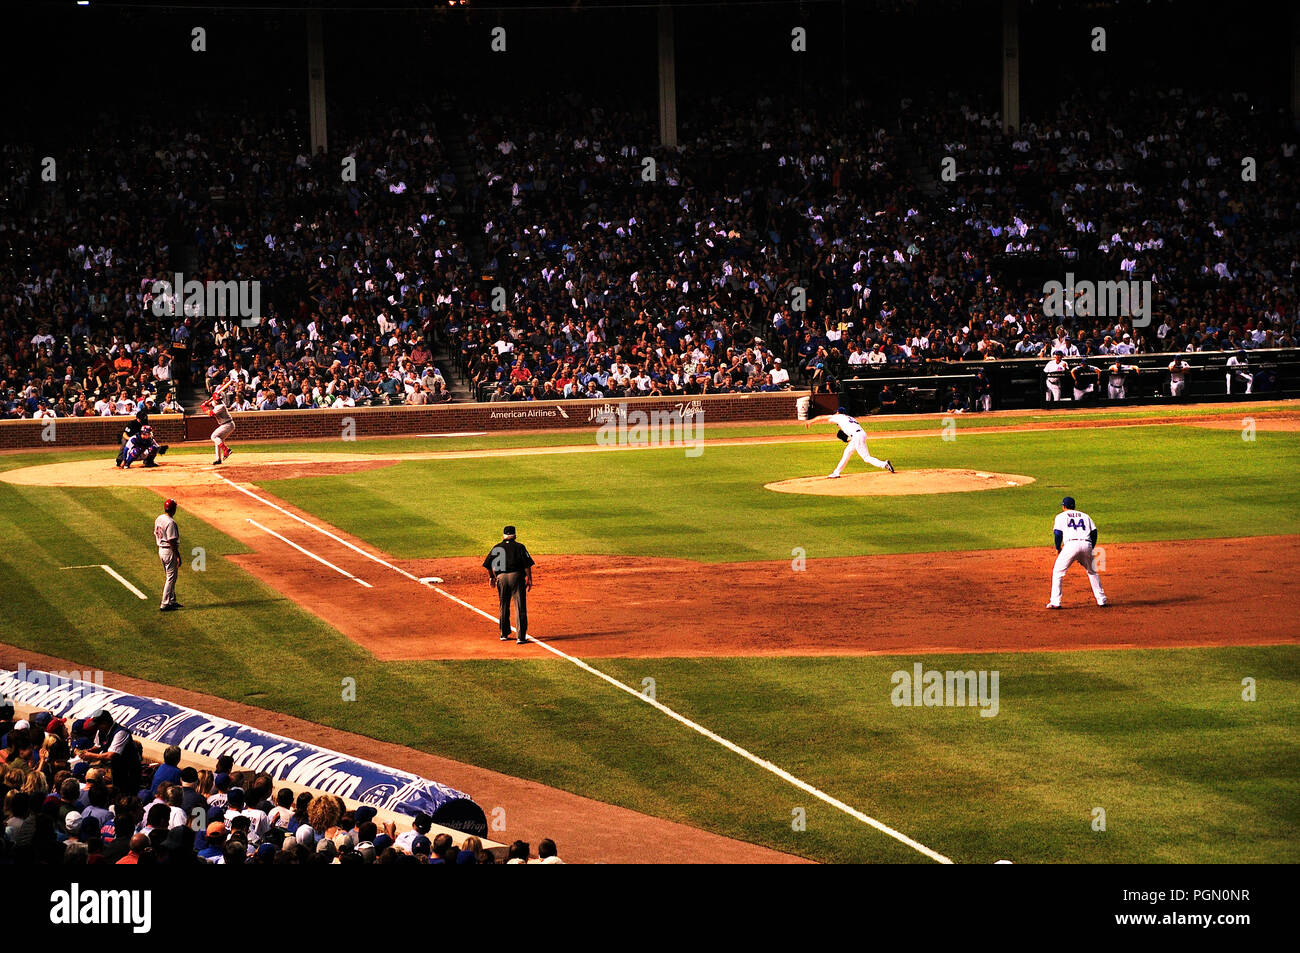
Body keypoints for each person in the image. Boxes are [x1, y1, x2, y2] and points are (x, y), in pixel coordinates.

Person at [1045, 496, 1107, 609]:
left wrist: (1058, 548)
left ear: (1064, 506)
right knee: (1092, 572)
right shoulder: (1085, 515)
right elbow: (1094, 532)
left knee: (1058, 572)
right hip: (1087, 543)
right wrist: (1090, 548)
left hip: (1071, 545)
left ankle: (1055, 602)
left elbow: (1058, 534)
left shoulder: (1060, 516)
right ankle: (1101, 600)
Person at [806, 406, 894, 479]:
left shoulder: (838, 416)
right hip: (860, 434)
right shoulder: (850, 417)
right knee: (847, 452)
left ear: (838, 412)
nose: (835, 413)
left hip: (856, 436)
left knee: (866, 457)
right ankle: (836, 473)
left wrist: (810, 421)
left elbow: (821, 418)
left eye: (836, 412)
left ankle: (884, 464)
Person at [483, 525, 535, 645]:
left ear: (503, 536)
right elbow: (527, 565)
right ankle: (521, 637)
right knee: (520, 606)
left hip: (501, 578)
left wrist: (491, 577)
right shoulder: (520, 547)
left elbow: (487, 564)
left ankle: (504, 634)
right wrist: (529, 579)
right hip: (516, 577)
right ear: (515, 536)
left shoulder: (496, 547)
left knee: (504, 605)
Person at [79, 710, 143, 797]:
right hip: (116, 768)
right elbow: (98, 746)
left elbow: (111, 755)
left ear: (105, 723)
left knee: (127, 793)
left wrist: (90, 755)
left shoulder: (121, 732)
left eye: (98, 725)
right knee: (116, 790)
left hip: (129, 770)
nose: (96, 727)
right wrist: (89, 751)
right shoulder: (100, 731)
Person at [154, 498, 182, 611]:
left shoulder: (159, 518)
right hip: (169, 551)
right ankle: (165, 604)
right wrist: (178, 555)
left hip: (161, 549)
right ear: (173, 509)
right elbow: (171, 541)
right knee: (171, 578)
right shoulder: (171, 522)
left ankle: (171, 600)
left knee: (170, 577)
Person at [202, 383, 236, 465]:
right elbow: (211, 404)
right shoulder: (216, 403)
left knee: (213, 436)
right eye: (217, 400)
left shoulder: (220, 406)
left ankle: (226, 450)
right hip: (227, 424)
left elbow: (210, 413)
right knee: (218, 441)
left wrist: (203, 407)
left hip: (227, 424)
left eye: (219, 399)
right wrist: (207, 403)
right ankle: (218, 459)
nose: (218, 400)